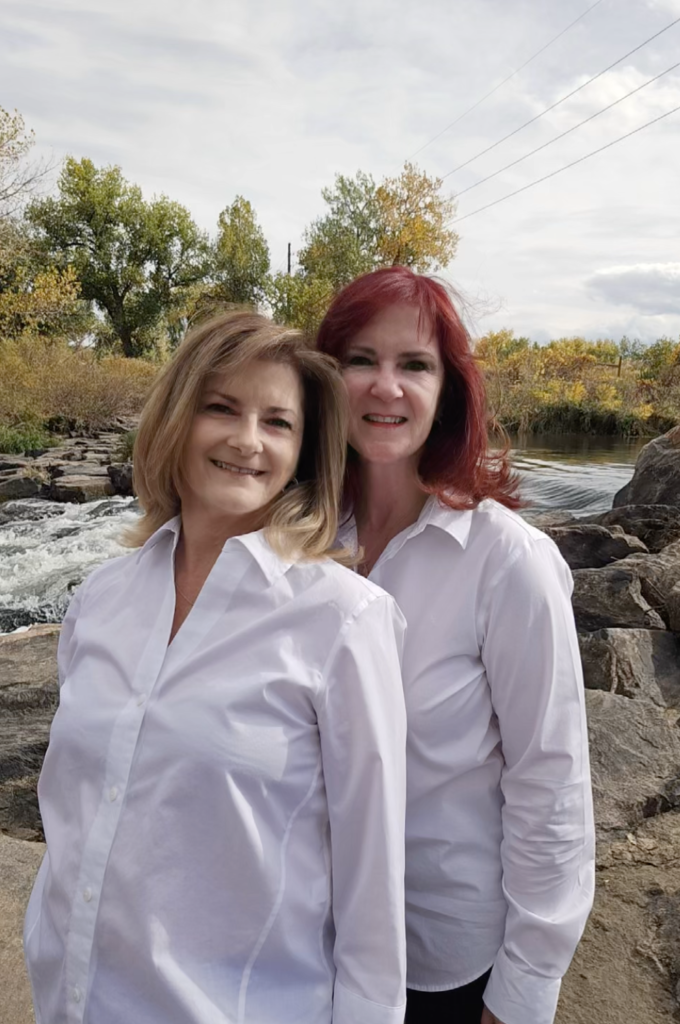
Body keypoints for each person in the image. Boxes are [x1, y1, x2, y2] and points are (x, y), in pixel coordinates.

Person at [24, 311, 409, 1024]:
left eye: (277, 422)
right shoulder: (101, 598)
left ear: (303, 450)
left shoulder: (344, 622)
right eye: (221, 407)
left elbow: (371, 889)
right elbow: (77, 811)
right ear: (176, 417)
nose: (246, 440)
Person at [316, 267, 595, 1024]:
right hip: (308, 940)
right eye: (361, 360)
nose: (385, 386)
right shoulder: (299, 541)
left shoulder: (507, 562)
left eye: (414, 365)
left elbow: (551, 778)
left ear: (448, 391)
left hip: (440, 961)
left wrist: (526, 985)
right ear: (324, 377)